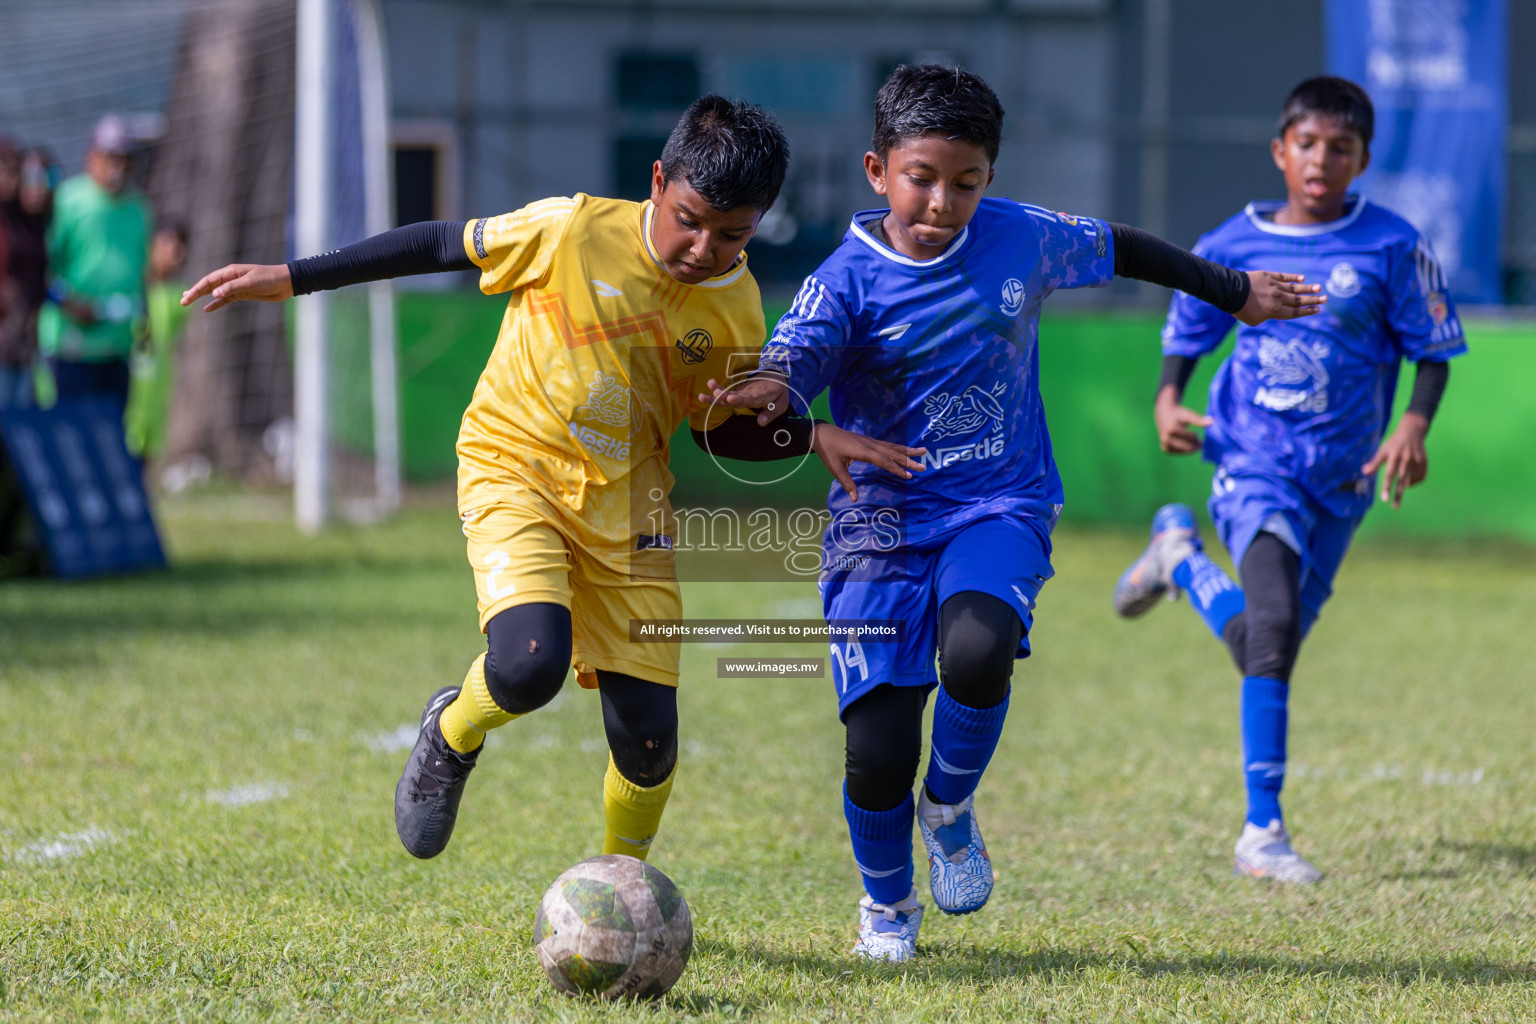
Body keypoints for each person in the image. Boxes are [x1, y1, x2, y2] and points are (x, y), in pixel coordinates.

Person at [181, 96, 924, 866]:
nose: (705, 247)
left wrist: (811, 434)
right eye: (690, 219)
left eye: (733, 234)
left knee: (648, 743)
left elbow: (714, 429)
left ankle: (619, 892)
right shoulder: (572, 229)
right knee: (529, 664)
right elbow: (441, 242)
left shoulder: (735, 308)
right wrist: (293, 276)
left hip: (630, 508)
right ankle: (452, 730)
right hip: (517, 467)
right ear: (658, 180)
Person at [703, 65, 1326, 962]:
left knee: (979, 647)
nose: (942, 202)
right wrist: (770, 393)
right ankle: (887, 910)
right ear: (879, 170)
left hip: (998, 500)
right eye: (922, 177)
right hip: (878, 530)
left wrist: (1233, 292)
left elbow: (1125, 247)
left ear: (989, 178)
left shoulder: (1022, 238)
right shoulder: (843, 282)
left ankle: (949, 808)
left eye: (966, 181)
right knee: (877, 750)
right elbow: (790, 369)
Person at [1111, 76, 1465, 884]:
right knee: (1272, 631)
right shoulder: (1231, 244)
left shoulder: (1392, 245)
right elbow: (1192, 324)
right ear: (1281, 150)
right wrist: (1170, 394)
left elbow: (1433, 349)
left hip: (1342, 479)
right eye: (1308, 144)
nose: (1322, 160)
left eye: (1340, 148)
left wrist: (1413, 424)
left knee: (1268, 642)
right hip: (1252, 461)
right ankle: (1262, 833)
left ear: (1362, 159)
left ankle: (1179, 560)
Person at [38, 115, 151, 418]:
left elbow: (143, 271)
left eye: (123, 158)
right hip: (72, 346)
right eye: (110, 156)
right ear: (93, 156)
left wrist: (146, 324)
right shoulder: (68, 201)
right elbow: (44, 266)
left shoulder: (138, 207)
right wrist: (68, 303)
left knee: (112, 433)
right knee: (72, 432)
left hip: (117, 344)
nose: (118, 166)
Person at [125, 222, 190, 460]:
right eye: (166, 243)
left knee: (145, 451)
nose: (173, 252)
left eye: (179, 246)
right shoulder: (133, 286)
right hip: (128, 381)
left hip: (156, 384)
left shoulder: (178, 294)